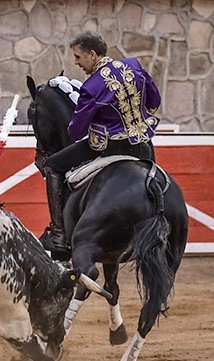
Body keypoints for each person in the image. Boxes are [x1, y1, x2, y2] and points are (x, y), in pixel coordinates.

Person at [43, 32, 162, 261]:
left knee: (52, 167)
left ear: (93, 55)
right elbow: (154, 101)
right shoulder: (133, 66)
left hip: (109, 147)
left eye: (78, 57)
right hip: (142, 146)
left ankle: (58, 235)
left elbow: (76, 131)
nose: (77, 63)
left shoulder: (92, 86)